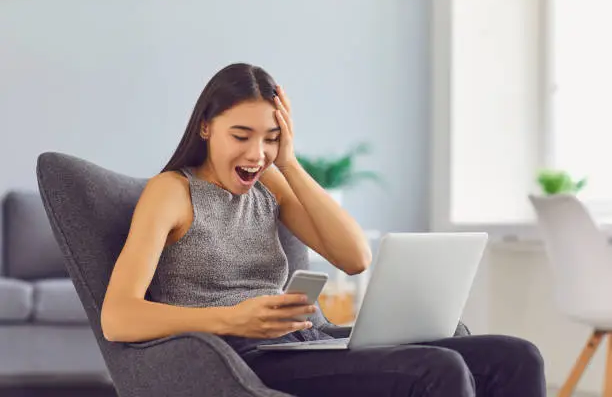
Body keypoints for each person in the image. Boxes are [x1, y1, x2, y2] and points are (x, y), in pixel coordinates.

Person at [100, 62, 546, 396]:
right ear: (205, 128)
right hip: (237, 356)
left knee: (517, 356)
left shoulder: (271, 180)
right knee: (438, 368)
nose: (257, 153)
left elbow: (355, 257)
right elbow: (118, 317)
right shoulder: (172, 192)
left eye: (270, 136)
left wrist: (289, 162)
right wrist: (230, 318)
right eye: (241, 135)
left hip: (301, 343)